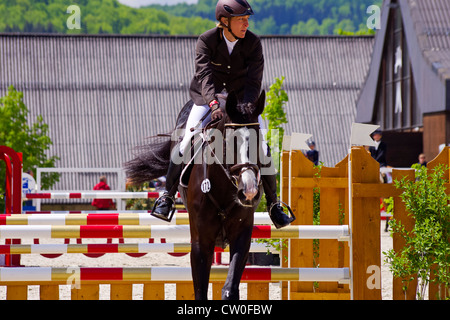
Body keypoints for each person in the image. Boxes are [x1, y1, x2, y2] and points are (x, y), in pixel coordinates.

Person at [151, 0, 295, 229]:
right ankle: (167, 197)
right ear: (224, 22)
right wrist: (214, 104)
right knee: (185, 142)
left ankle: (273, 204)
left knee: (264, 147)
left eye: (248, 19)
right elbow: (205, 76)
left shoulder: (253, 43)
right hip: (207, 99)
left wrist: (246, 108)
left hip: (241, 104)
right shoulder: (206, 41)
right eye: (242, 19)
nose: (247, 24)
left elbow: (253, 81)